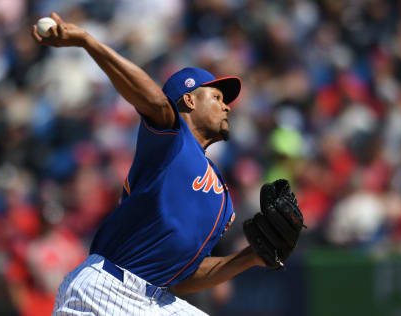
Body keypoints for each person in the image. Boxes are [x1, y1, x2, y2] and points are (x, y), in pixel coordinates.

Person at [32, 13, 265, 316]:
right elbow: (154, 102)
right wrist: (88, 42)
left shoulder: (222, 197)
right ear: (190, 101)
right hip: (107, 288)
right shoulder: (171, 142)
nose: (226, 105)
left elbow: (183, 278)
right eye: (217, 96)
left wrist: (250, 256)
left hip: (154, 298)